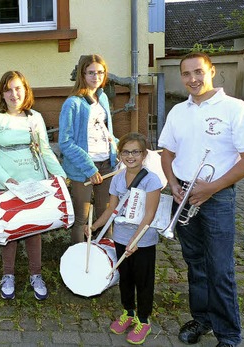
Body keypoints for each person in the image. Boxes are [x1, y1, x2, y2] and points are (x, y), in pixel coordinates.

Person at [159, 52, 244, 347]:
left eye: (198, 72)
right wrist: (173, 183)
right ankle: (202, 320)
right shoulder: (178, 111)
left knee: (220, 267)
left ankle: (228, 335)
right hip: (183, 194)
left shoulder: (234, 108)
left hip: (216, 197)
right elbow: (167, 153)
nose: (193, 79)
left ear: (212, 71)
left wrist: (211, 188)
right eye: (186, 73)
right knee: (194, 263)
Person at [0, 71, 67, 300]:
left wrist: (60, 175)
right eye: (8, 89)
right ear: (2, 93)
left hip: (35, 182)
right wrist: (6, 179)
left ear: (25, 90)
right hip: (8, 185)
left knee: (33, 231)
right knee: (9, 230)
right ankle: (8, 275)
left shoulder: (34, 118)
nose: (14, 93)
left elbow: (45, 150)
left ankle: (35, 275)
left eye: (18, 88)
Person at [88, 132, 161, 345]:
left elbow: (149, 214)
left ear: (144, 154)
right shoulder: (118, 178)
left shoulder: (151, 180)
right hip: (120, 238)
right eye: (126, 152)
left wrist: (136, 240)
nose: (131, 156)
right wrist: (94, 226)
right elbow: (112, 209)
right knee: (125, 279)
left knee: (143, 281)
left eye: (136, 152)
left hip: (143, 241)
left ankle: (144, 320)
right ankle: (128, 313)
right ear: (120, 155)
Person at [59, 54, 118, 245]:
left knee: (105, 215)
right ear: (82, 75)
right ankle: (77, 264)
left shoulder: (103, 99)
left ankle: (105, 261)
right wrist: (89, 168)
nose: (96, 77)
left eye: (100, 72)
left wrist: (118, 151)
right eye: (91, 72)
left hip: (106, 166)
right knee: (81, 219)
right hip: (83, 169)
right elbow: (65, 142)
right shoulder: (72, 103)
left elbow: (106, 132)